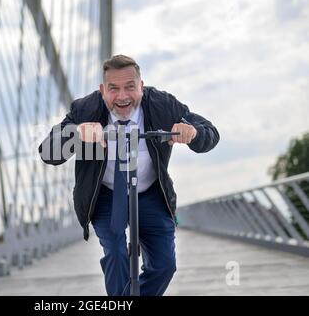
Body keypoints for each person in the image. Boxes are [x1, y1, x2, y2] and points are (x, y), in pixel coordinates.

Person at [38, 54, 220, 296]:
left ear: (141, 87)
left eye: (130, 87)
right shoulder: (85, 109)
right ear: (103, 90)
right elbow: (48, 152)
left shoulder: (163, 105)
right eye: (113, 88)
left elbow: (210, 133)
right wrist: (75, 133)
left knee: (165, 265)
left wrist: (193, 132)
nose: (122, 96)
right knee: (115, 252)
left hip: (150, 192)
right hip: (106, 194)